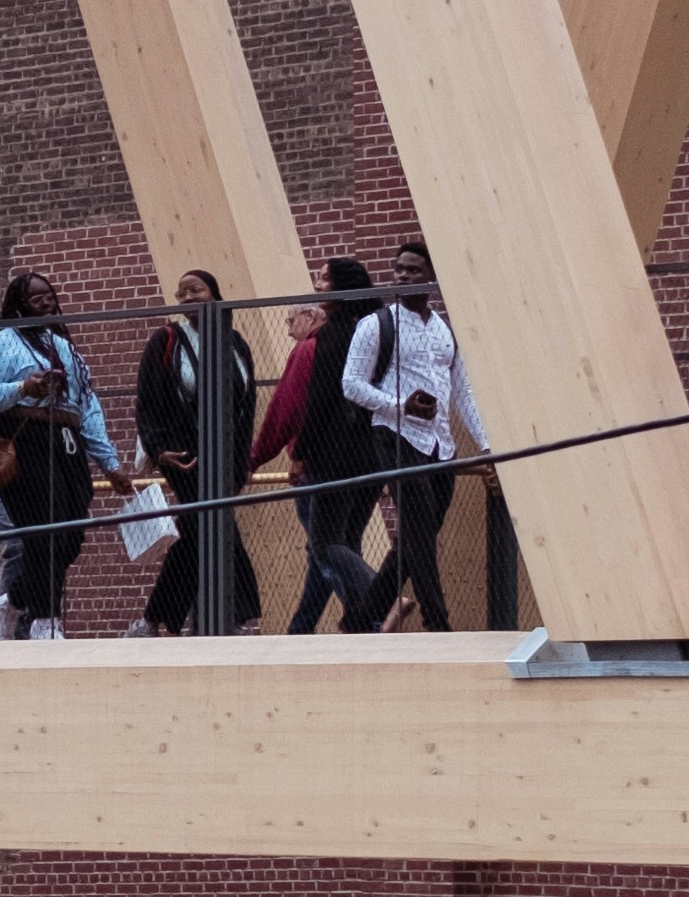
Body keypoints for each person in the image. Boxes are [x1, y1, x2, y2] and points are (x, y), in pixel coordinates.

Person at [0, 273, 118, 639]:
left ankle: (11, 602)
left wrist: (110, 463)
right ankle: (46, 622)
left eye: (49, 296)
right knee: (43, 533)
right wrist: (23, 387)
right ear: (18, 305)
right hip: (24, 439)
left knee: (69, 537)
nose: (46, 303)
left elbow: (87, 404)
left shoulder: (64, 346)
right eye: (35, 299)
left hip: (66, 440)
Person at [343, 236, 487, 630]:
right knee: (421, 536)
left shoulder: (445, 331)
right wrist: (400, 405)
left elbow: (464, 392)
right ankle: (438, 624)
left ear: (432, 278)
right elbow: (351, 384)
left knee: (415, 540)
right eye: (399, 269)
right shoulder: (375, 325)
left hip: (441, 446)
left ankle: (362, 618)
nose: (403, 276)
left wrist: (486, 444)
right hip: (394, 435)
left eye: (413, 270)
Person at [253, 260, 389, 629]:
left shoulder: (316, 346)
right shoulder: (375, 331)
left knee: (325, 544)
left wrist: (283, 456)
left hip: (327, 459)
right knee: (344, 544)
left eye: (289, 321)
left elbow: (294, 409)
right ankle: (349, 623)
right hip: (375, 455)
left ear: (309, 317)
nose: (287, 330)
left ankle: (378, 604)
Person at [134, 271, 260, 634]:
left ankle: (156, 620)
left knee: (196, 533)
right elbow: (148, 401)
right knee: (216, 526)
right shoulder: (167, 340)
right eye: (182, 293)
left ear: (215, 295)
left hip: (227, 457)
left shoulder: (235, 342)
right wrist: (159, 450)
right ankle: (236, 615)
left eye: (196, 290)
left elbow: (247, 403)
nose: (187, 298)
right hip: (184, 456)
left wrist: (243, 459)